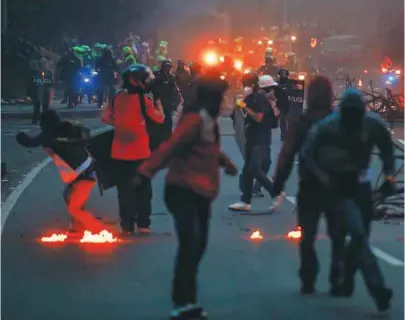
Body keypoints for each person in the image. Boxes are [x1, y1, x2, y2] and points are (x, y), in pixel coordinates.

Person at [135, 74, 237, 320]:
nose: (222, 102)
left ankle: (187, 299)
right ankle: (183, 302)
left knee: (198, 245)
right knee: (191, 245)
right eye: (219, 97)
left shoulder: (207, 120)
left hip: (201, 192)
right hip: (183, 190)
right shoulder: (193, 120)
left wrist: (226, 162)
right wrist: (144, 173)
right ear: (210, 99)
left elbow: (209, 148)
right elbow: (170, 146)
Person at [300, 88, 395, 312]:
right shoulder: (326, 128)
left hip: (362, 185)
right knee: (359, 234)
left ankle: (345, 278)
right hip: (337, 187)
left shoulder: (373, 125)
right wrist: (321, 176)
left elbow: (387, 150)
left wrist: (389, 176)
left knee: (361, 236)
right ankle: (378, 289)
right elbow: (307, 153)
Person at [271, 75, 346, 294]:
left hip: (310, 185)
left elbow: (287, 153)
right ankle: (336, 277)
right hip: (336, 186)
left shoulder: (301, 122)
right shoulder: (339, 121)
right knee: (338, 235)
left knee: (308, 235)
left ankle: (308, 278)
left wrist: (278, 182)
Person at [16, 109, 108, 233]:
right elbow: (86, 131)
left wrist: (19, 135)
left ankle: (95, 227)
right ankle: (78, 223)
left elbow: (29, 142)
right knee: (69, 195)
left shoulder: (47, 135)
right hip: (89, 166)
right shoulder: (70, 127)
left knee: (74, 207)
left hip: (79, 173)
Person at [101, 64, 165, 235]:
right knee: (144, 188)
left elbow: (105, 117)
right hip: (141, 151)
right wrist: (158, 103)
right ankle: (144, 224)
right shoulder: (145, 100)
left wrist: (120, 125)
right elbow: (159, 119)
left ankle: (127, 226)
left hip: (119, 152)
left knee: (124, 190)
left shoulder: (117, 97)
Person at [228, 75, 281, 212]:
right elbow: (235, 116)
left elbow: (258, 117)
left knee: (254, 168)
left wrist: (244, 107)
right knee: (247, 171)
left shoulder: (260, 99)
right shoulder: (250, 98)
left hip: (261, 138)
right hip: (250, 137)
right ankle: (246, 202)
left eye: (247, 84)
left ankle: (276, 192)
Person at [152, 60, 183, 142]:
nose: (166, 69)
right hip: (156, 105)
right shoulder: (155, 75)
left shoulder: (171, 78)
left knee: (167, 124)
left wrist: (175, 104)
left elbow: (176, 92)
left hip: (167, 105)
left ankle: (166, 139)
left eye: (168, 67)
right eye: (165, 67)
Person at [28, 57, 53, 124]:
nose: (43, 64)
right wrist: (30, 92)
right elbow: (31, 82)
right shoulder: (35, 72)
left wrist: (50, 89)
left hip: (45, 91)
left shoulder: (49, 72)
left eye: (44, 63)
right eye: (41, 63)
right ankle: (35, 118)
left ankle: (45, 119)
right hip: (36, 91)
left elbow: (51, 82)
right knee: (36, 106)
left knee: (45, 106)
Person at [277, 68, 291, 141]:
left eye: (285, 74)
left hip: (290, 104)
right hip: (281, 104)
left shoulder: (291, 83)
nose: (283, 75)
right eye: (282, 74)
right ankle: (283, 134)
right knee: (282, 120)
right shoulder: (276, 84)